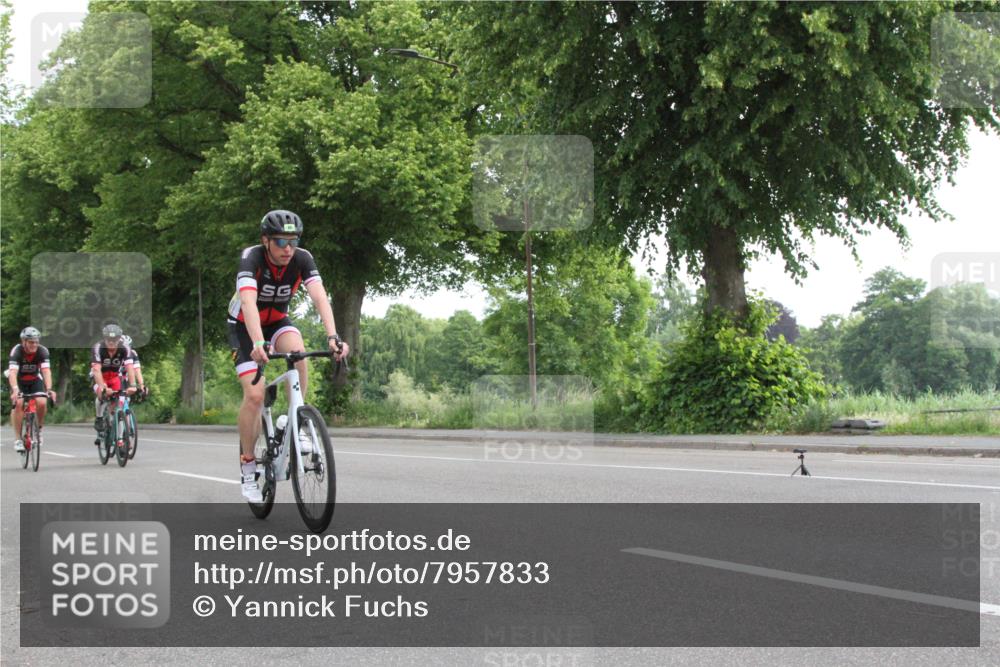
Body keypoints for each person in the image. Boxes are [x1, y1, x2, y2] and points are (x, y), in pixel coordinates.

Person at [227, 210, 349, 502]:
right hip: (244, 326)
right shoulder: (251, 258)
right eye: (281, 242)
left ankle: (296, 417)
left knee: (299, 352)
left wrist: (333, 337)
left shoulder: (302, 258)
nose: (287, 249)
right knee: (255, 396)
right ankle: (247, 466)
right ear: (265, 240)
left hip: (278, 320)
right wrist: (258, 342)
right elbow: (248, 302)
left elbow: (320, 296)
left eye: (293, 241)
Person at [8, 327, 57, 451]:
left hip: (35, 380)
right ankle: (18, 439)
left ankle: (38, 430)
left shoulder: (42, 351)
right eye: (31, 342)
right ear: (24, 342)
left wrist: (49, 389)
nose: (34, 344)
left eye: (36, 342)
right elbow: (12, 373)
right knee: (18, 403)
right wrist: (15, 389)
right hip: (19, 381)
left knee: (42, 401)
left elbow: (46, 371)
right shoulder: (17, 351)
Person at [91, 323, 137, 445]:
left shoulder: (125, 348)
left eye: (115, 340)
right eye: (109, 340)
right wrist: (103, 387)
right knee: (101, 395)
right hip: (101, 377)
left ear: (119, 339)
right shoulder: (98, 347)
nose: (111, 342)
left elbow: (130, 367)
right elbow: (96, 370)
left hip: (115, 378)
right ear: (104, 338)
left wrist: (133, 384)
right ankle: (99, 418)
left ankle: (120, 440)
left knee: (119, 406)